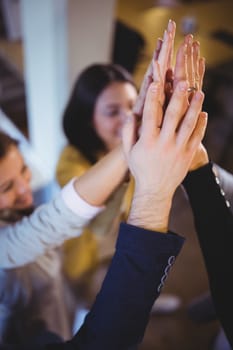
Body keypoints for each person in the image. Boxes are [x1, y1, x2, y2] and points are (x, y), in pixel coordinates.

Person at [0, 28, 208, 348]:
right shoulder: (72, 163)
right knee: (93, 297)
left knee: (123, 279)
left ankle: (147, 298)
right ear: (88, 120)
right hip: (82, 256)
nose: (127, 120)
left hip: (110, 246)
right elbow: (72, 224)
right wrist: (150, 186)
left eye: (25, 172)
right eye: (113, 111)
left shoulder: (136, 145)